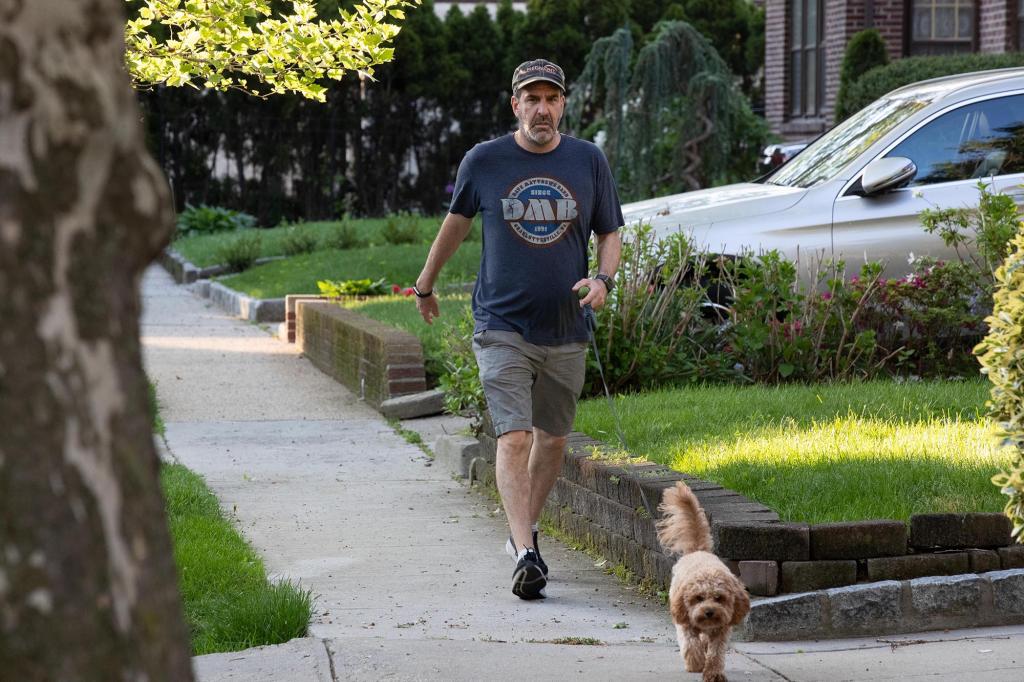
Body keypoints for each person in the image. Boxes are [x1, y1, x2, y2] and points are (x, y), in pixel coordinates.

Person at [413, 58, 623, 600]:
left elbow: (610, 233)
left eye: (552, 98)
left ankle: (521, 537)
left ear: (563, 104)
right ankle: (527, 549)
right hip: (501, 324)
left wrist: (602, 280)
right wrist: (425, 284)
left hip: (566, 327)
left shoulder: (587, 160)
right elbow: (454, 226)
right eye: (532, 98)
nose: (542, 109)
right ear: (515, 105)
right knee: (515, 435)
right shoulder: (485, 161)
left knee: (551, 441)